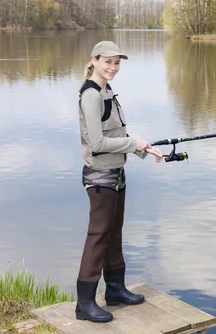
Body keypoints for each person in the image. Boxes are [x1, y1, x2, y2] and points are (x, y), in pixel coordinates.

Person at [75, 40, 163, 323]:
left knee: (114, 232)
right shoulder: (91, 94)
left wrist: (143, 149)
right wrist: (133, 142)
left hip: (117, 175)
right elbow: (98, 143)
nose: (113, 68)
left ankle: (115, 291)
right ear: (95, 60)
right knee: (98, 235)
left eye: (117, 63)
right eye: (108, 62)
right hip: (100, 179)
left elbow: (114, 136)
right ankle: (85, 303)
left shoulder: (107, 90)